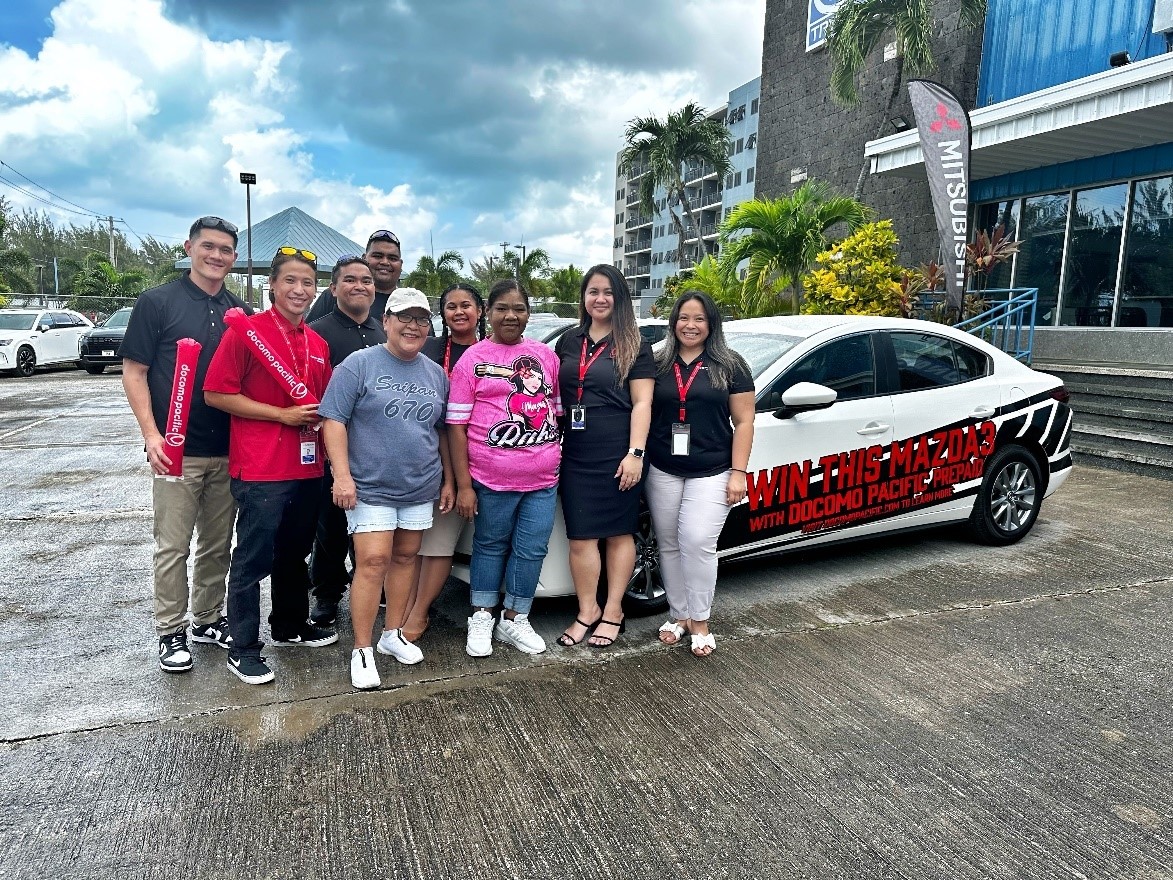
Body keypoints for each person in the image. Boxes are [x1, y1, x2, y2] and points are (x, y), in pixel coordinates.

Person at [121, 215, 251, 673]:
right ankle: (170, 631)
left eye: (226, 250)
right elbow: (134, 371)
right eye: (208, 247)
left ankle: (207, 620)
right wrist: (151, 434)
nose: (217, 256)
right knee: (173, 546)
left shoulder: (241, 311)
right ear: (189, 247)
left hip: (229, 449)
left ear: (234, 258)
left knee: (218, 544)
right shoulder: (157, 302)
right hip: (177, 450)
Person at [204, 247, 336, 685]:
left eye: (307, 283)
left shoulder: (317, 343)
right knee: (252, 559)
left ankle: (289, 626)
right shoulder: (246, 333)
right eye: (290, 281)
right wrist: (280, 415)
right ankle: (242, 646)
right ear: (273, 286)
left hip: (308, 466)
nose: (299, 290)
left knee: (295, 554)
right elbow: (216, 394)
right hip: (261, 468)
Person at [318, 288, 450, 690]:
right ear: (386, 322)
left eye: (422, 320)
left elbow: (441, 430)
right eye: (404, 318)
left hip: (419, 483)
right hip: (369, 487)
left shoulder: (435, 373)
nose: (413, 327)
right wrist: (342, 475)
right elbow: (333, 420)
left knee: (406, 556)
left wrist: (447, 478)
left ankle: (392, 634)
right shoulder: (359, 364)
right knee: (373, 561)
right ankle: (363, 648)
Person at [447, 279, 561, 657]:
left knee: (531, 549)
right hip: (491, 480)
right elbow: (456, 427)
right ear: (488, 313)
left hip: (543, 480)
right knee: (491, 545)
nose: (511, 315)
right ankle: (481, 616)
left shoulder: (546, 357)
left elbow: (556, 413)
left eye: (519, 308)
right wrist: (464, 485)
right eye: (502, 308)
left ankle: (515, 619)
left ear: (528, 313)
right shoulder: (472, 360)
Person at [643, 291, 755, 658]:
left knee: (696, 541)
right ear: (674, 321)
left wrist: (738, 473)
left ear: (711, 325)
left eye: (700, 319)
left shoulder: (731, 365)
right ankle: (678, 615)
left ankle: (700, 620)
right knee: (669, 543)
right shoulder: (657, 362)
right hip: (663, 467)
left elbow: (744, 422)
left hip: (713, 468)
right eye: (684, 318)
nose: (690, 326)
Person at [553, 265, 654, 648]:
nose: (600, 299)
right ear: (583, 297)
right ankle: (587, 611)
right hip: (576, 449)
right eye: (593, 291)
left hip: (618, 447)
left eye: (608, 292)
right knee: (580, 537)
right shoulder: (569, 340)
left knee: (617, 533)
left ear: (620, 298)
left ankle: (613, 610)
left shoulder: (634, 343)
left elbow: (642, 403)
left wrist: (635, 453)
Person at [400, 283, 486, 642]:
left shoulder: (494, 352)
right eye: (451, 307)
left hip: (482, 455)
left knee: (439, 544)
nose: (459, 312)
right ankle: (407, 608)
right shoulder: (431, 350)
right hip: (432, 456)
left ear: (480, 310)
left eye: (466, 305)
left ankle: (418, 613)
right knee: (418, 543)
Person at [306, 256, 387, 626]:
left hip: (376, 452)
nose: (360, 286)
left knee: (372, 527)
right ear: (334, 288)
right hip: (331, 448)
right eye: (350, 280)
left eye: (366, 281)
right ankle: (326, 593)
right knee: (330, 528)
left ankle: (369, 586)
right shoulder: (316, 333)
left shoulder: (384, 334)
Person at [305, 230, 403, 323]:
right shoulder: (335, 295)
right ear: (364, 259)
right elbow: (306, 335)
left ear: (401, 264)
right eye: (378, 256)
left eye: (392, 258)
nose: (385, 262)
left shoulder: (408, 302)